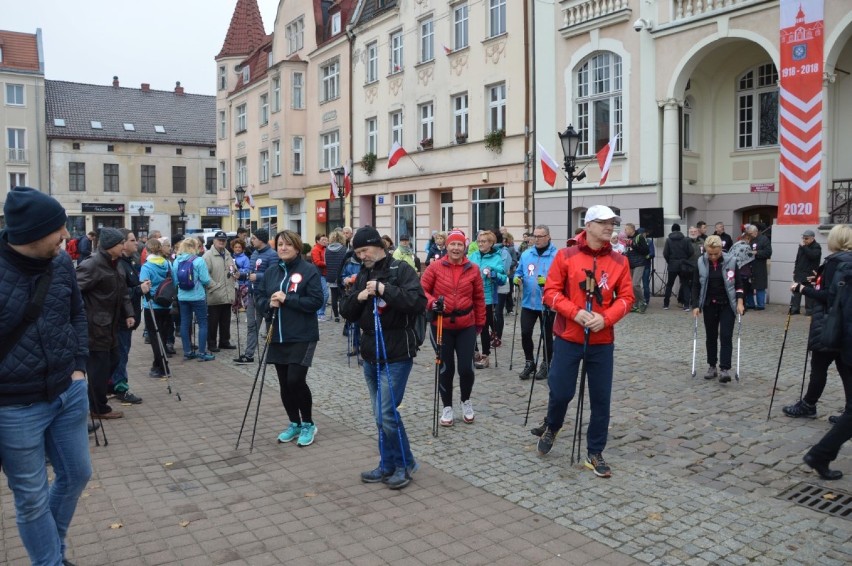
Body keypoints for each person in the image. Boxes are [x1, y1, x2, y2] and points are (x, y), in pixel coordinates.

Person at [0, 187, 92, 566]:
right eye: (59, 230)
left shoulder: (61, 264)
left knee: (77, 475)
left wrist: (79, 367)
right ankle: (51, 561)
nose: (66, 237)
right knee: (31, 497)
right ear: (34, 233)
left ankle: (51, 551)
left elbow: (76, 313)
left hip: (67, 392)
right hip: (14, 408)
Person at [533, 205, 633, 478]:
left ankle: (595, 451)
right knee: (561, 391)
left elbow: (626, 298)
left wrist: (607, 318)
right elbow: (551, 293)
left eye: (612, 223)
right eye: (603, 223)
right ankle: (553, 425)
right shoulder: (566, 256)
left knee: (601, 399)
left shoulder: (620, 261)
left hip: (602, 341)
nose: (609, 227)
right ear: (587, 226)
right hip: (568, 337)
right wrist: (575, 312)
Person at [340, 226, 427, 489]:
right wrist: (360, 295)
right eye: (357, 252)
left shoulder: (401, 269)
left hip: (397, 352)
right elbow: (346, 311)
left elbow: (417, 302)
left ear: (379, 246)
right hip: (370, 352)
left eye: (364, 250)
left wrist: (383, 289)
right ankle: (389, 463)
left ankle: (402, 465)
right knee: (380, 416)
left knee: (387, 413)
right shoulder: (362, 272)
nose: (361, 256)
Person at [256, 230, 324, 447]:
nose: (283, 248)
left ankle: (308, 423)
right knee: (285, 384)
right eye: (279, 245)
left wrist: (288, 299)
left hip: (302, 334)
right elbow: (258, 297)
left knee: (296, 380)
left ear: (296, 247)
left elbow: (315, 301)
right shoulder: (270, 272)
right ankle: (294, 422)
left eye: (287, 244)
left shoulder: (309, 270)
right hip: (277, 334)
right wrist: (269, 304)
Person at [783, 224, 852, 420]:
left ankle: (808, 405)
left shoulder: (835, 262)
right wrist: (819, 281)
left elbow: (828, 296)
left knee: (819, 366)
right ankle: (849, 412)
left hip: (829, 323)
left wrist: (802, 289)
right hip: (845, 323)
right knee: (845, 368)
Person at [421, 229, 485, 426]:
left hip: (467, 324)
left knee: (466, 368)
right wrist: (432, 302)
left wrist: (480, 323)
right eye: (452, 244)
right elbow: (421, 290)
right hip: (441, 324)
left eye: (459, 244)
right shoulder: (435, 267)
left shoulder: (473, 268)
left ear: (464, 246)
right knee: (446, 368)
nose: (456, 248)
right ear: (446, 246)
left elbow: (479, 298)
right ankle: (447, 406)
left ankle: (466, 400)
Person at [77, 227, 135, 419]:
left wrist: (129, 313)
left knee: (113, 361)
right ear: (110, 246)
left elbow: (123, 292)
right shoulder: (92, 265)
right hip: (95, 327)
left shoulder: (116, 264)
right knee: (98, 369)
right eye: (120, 243)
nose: (123, 246)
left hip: (112, 325)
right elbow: (74, 291)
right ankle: (97, 408)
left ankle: (98, 397)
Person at [691, 235, 745, 383]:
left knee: (726, 335)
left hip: (727, 304)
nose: (713, 257)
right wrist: (695, 305)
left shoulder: (731, 261)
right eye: (710, 254)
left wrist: (740, 302)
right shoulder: (701, 262)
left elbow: (739, 284)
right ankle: (712, 366)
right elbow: (696, 285)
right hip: (709, 304)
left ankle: (725, 369)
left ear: (721, 249)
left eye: (716, 253)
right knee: (711, 336)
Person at [514, 225, 557, 381]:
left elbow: (561, 279)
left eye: (540, 236)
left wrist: (548, 282)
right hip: (528, 303)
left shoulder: (556, 255)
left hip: (547, 304)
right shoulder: (526, 254)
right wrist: (516, 278)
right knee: (525, 333)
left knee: (546, 335)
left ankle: (546, 363)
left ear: (548, 237)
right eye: (535, 236)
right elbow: (519, 271)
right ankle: (529, 362)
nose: (536, 239)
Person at [110, 228, 148, 404]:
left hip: (129, 316)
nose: (136, 243)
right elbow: (120, 292)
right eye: (132, 240)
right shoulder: (118, 264)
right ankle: (120, 387)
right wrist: (139, 289)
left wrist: (141, 285)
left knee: (120, 352)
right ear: (123, 244)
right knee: (121, 353)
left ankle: (113, 383)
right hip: (121, 318)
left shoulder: (130, 261)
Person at [235, 229, 277, 364]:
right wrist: (241, 275)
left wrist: (257, 276)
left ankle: (273, 354)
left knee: (271, 326)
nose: (251, 240)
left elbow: (274, 274)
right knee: (252, 326)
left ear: (261, 239)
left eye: (254, 238)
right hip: (253, 294)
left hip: (266, 296)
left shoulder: (272, 255)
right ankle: (249, 354)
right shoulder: (254, 253)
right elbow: (250, 271)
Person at [467, 230, 507, 369]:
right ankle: (475, 351)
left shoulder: (496, 258)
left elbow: (503, 279)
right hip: (470, 297)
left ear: (491, 243)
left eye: (484, 241)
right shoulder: (472, 256)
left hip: (487, 298)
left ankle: (485, 354)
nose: (480, 244)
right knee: (470, 326)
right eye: (479, 241)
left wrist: (494, 274)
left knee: (483, 327)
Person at [172, 237, 214, 361]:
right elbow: (206, 279)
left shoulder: (176, 261)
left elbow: (175, 281)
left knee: (185, 323)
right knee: (202, 323)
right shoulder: (198, 260)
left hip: (183, 296)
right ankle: (201, 353)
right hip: (198, 296)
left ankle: (187, 351)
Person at [140, 238, 173, 378]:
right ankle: (157, 364)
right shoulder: (167, 263)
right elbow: (174, 281)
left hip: (152, 305)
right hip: (166, 303)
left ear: (147, 250)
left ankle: (162, 367)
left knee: (154, 337)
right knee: (163, 335)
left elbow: (144, 286)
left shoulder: (146, 266)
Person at [203, 231, 236, 352]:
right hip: (214, 294)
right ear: (214, 241)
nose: (222, 242)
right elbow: (204, 275)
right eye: (219, 240)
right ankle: (211, 343)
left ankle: (224, 341)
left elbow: (232, 269)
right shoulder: (208, 256)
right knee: (213, 322)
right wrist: (214, 286)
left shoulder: (227, 254)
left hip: (227, 292)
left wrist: (235, 273)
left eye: (224, 240)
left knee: (225, 320)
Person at [790, 229, 822, 315]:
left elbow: (812, 256)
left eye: (806, 238)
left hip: (809, 274)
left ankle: (809, 310)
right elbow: (797, 259)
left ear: (812, 238)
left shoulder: (816, 246)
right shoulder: (802, 246)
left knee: (808, 293)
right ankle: (795, 309)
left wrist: (804, 247)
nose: (804, 240)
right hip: (799, 272)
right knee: (796, 291)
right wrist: (795, 270)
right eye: (803, 238)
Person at [662, 224, 693, 310]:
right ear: (679, 230)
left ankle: (666, 304)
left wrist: (670, 261)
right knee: (685, 284)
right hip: (683, 264)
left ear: (672, 230)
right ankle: (686, 305)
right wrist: (685, 259)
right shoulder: (686, 240)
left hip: (672, 264)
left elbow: (665, 253)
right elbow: (691, 251)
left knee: (669, 284)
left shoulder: (668, 240)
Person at [745, 224, 772, 310]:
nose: (750, 235)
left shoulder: (764, 239)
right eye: (748, 233)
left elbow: (768, 252)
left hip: (759, 266)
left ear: (756, 232)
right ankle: (750, 303)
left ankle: (760, 305)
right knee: (748, 286)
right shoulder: (748, 239)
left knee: (760, 286)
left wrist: (757, 253)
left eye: (751, 233)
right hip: (748, 266)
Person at [624, 223, 649, 313]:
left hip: (639, 263)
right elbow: (630, 251)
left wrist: (633, 245)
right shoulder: (629, 239)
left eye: (626, 229)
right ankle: (635, 305)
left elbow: (646, 250)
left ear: (632, 229)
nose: (625, 231)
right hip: (630, 264)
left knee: (635, 284)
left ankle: (643, 302)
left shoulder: (639, 237)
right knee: (631, 286)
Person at [324, 229, 348, 322]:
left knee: (334, 297)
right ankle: (344, 314)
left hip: (331, 276)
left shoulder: (327, 250)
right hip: (341, 276)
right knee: (342, 296)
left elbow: (326, 263)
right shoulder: (344, 249)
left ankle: (336, 316)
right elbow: (346, 263)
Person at [312, 234, 329, 320]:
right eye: (323, 240)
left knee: (323, 293)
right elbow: (317, 262)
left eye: (326, 240)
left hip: (326, 274)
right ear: (318, 241)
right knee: (325, 293)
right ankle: (320, 313)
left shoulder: (326, 249)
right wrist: (328, 263)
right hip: (319, 274)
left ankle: (320, 312)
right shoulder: (316, 249)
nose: (325, 241)